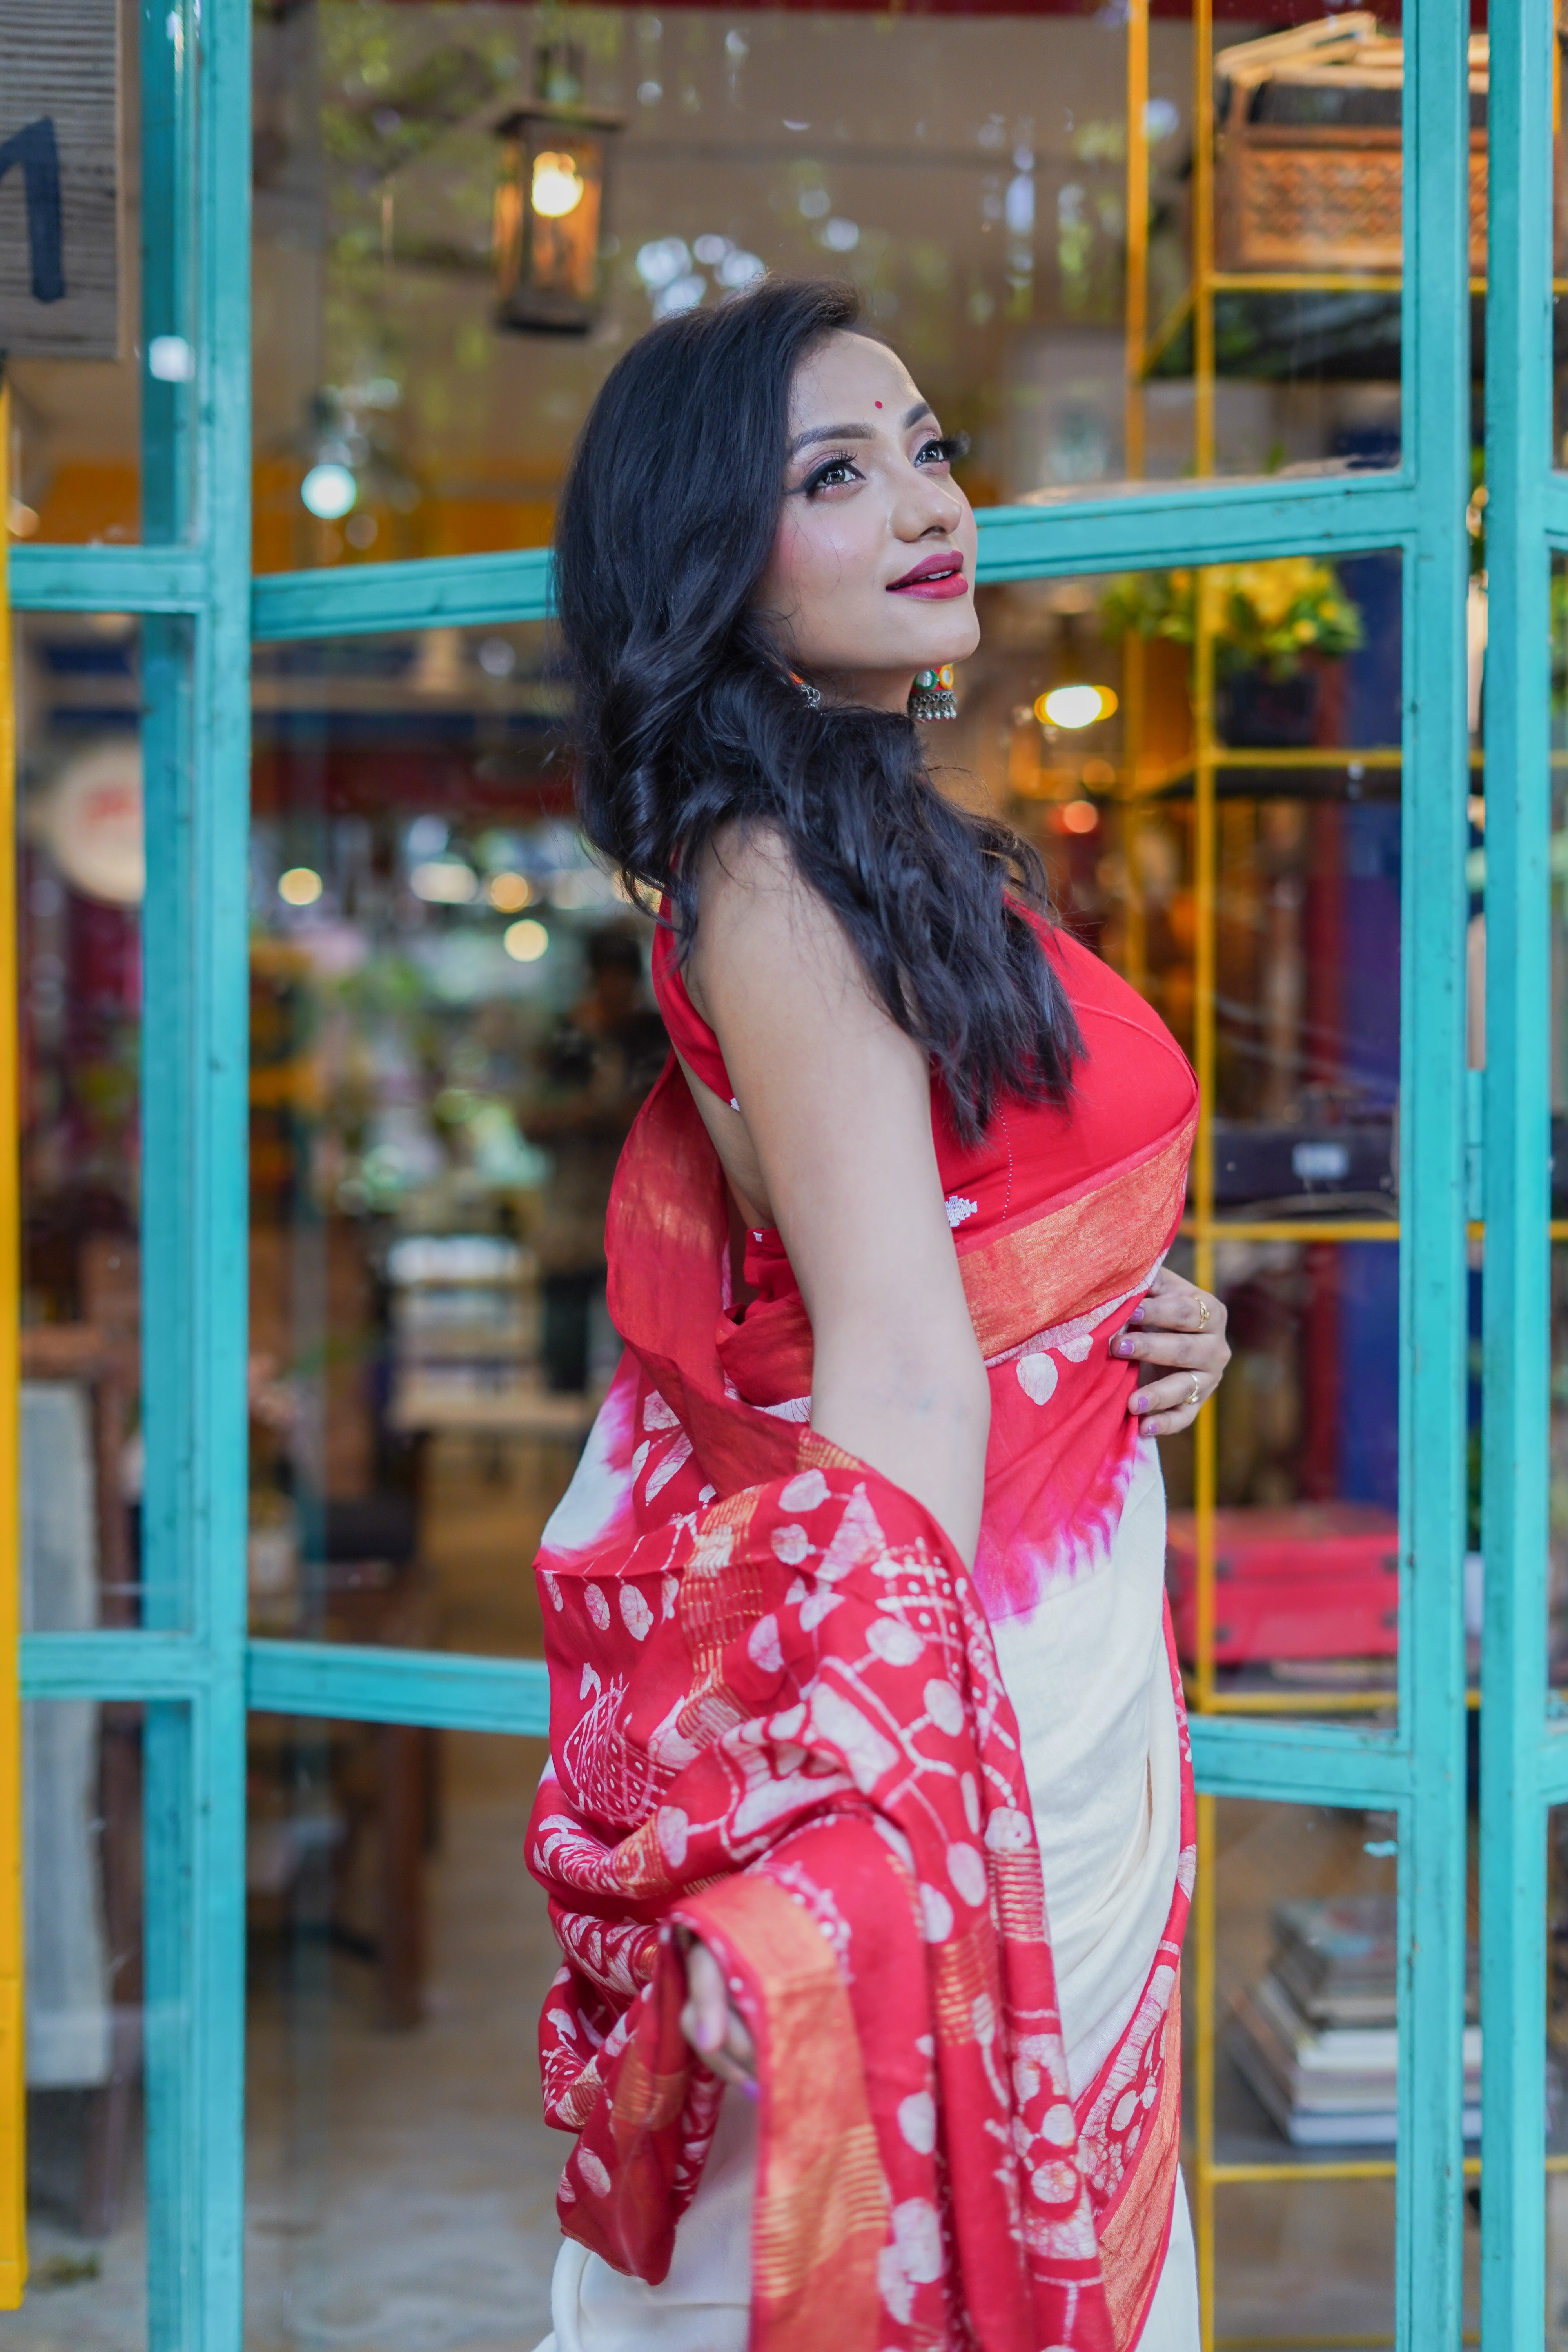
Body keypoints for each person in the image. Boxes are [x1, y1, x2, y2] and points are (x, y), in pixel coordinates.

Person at [526, 279, 1231, 2352]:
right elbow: (899, 1350)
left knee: (1058, 2194)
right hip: (961, 1641)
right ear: (708, 565)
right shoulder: (765, 876)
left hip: (1047, 1599)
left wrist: (1128, 1314)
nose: (929, 503)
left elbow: (953, 1250)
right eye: (834, 475)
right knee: (956, 2208)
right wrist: (889, 1784)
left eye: (925, 446)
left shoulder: (882, 847)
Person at [520, 924, 669, 1394]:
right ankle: (570, 1455)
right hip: (572, 1214)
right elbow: (529, 1118)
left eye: (622, 975)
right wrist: (582, 1114)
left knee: (643, 1357)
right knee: (563, 1353)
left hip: (640, 1215)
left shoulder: (652, 1037)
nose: (615, 986)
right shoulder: (566, 1038)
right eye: (607, 974)